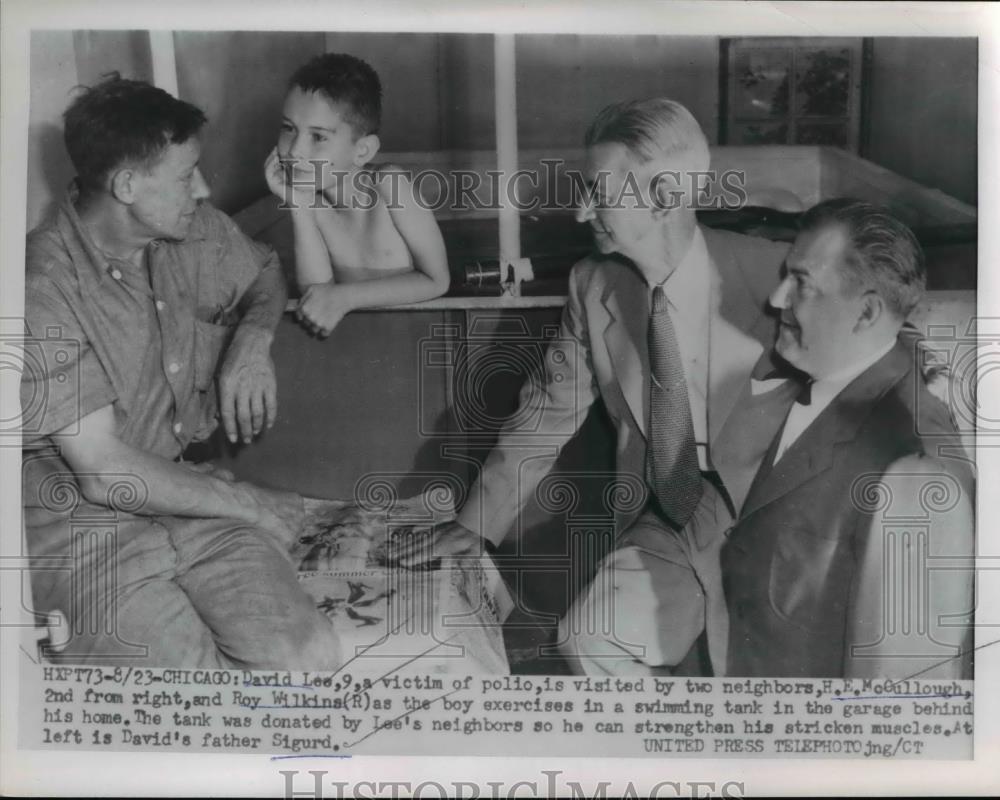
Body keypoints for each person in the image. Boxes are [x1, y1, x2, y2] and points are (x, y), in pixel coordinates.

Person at [395, 98, 796, 676]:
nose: (583, 212)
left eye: (598, 192)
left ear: (663, 197)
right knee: (588, 637)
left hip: (776, 521)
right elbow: (545, 413)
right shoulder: (593, 284)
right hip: (669, 521)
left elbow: (879, 357)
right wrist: (475, 524)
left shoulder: (780, 277)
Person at [20, 76, 340, 668]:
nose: (204, 186)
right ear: (126, 185)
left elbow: (265, 273)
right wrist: (248, 504)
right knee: (193, 696)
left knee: (307, 658)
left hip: (180, 498)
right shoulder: (41, 288)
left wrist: (253, 338)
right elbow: (103, 471)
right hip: (83, 533)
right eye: (185, 175)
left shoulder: (190, 228)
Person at [721, 199, 974, 679]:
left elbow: (901, 707)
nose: (776, 300)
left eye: (802, 284)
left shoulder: (916, 473)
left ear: (866, 313)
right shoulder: (836, 367)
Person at [264, 52, 449, 337]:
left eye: (318, 137)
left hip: (417, 335)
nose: (294, 151)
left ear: (362, 151)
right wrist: (298, 206)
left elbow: (437, 281)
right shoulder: (310, 200)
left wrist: (345, 297)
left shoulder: (389, 184)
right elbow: (317, 299)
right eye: (289, 129)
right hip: (363, 342)